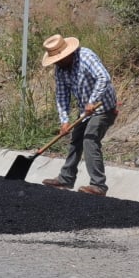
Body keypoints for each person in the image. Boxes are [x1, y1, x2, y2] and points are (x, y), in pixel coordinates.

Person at [39, 34, 118, 196]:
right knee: (76, 138)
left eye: (60, 59)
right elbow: (62, 95)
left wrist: (92, 101)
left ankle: (98, 185)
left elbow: (104, 78)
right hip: (86, 111)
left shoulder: (86, 57)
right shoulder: (60, 69)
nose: (58, 63)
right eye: (56, 60)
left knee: (90, 138)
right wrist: (64, 121)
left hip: (104, 108)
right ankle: (66, 178)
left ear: (68, 54)